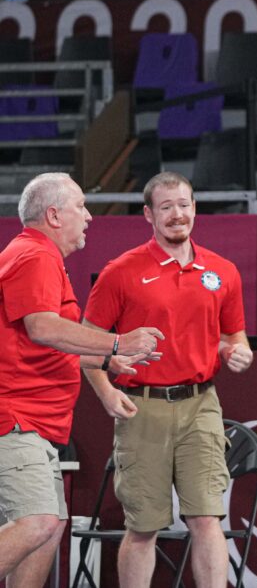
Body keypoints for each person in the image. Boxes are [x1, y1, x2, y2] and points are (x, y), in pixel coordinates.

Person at [80, 171, 253, 588]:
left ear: (195, 207)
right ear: (148, 214)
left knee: (206, 518)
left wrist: (236, 350)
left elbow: (234, 334)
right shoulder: (120, 272)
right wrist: (105, 393)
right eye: (167, 207)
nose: (178, 215)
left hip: (201, 404)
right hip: (142, 406)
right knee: (143, 526)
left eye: (185, 205)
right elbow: (86, 346)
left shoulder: (222, 271)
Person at [0, 173, 162, 587]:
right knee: (37, 522)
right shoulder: (35, 255)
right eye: (81, 207)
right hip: (17, 416)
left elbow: (44, 341)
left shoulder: (39, 256)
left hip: (37, 421)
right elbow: (42, 327)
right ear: (53, 215)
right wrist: (116, 341)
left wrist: (106, 358)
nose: (89, 216)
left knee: (51, 527)